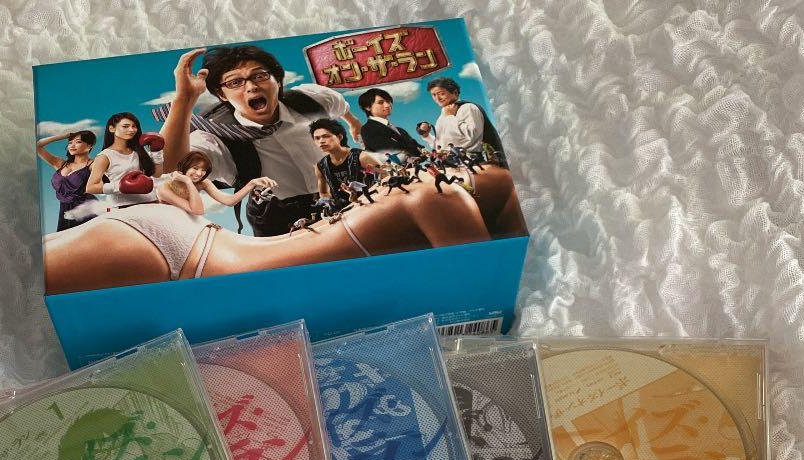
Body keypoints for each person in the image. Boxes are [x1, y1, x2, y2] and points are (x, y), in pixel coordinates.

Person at [42, 162, 526, 292]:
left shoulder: (418, 188)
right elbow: (481, 294)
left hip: (189, 243)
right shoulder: (441, 194)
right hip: (190, 258)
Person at [152, 45, 363, 236]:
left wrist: (354, 124)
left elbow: (340, 105)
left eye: (260, 75)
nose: (251, 87)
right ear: (222, 94)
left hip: (341, 194)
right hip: (277, 217)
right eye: (235, 82)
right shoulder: (216, 136)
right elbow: (170, 166)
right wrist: (184, 100)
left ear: (277, 81)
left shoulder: (310, 99)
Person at [85, 113, 166, 212]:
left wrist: (157, 151)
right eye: (125, 126)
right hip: (122, 207)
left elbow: (157, 174)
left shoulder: (138, 151)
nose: (131, 130)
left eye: (134, 126)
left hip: (150, 202)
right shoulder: (104, 156)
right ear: (112, 129)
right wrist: (119, 186)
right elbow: (91, 187)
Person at [157, 150, 275, 213]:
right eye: (195, 168)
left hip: (186, 221)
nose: (199, 174)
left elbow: (229, 201)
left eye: (203, 170)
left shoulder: (203, 183)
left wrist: (252, 183)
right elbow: (197, 210)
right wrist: (188, 182)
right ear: (185, 166)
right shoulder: (165, 187)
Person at [427, 77, 507, 163]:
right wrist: (426, 136)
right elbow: (442, 143)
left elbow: (472, 135)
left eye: (441, 94)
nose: (437, 98)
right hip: (448, 162)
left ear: (455, 92)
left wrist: (450, 117)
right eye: (434, 95)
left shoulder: (468, 108)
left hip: (468, 162)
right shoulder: (443, 115)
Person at [310, 119, 381, 209]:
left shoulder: (361, 157)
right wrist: (326, 201)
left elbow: (384, 177)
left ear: (339, 137)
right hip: (344, 211)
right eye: (317, 138)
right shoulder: (320, 166)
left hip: (371, 205)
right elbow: (324, 193)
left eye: (326, 136)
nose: (321, 141)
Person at [36, 129, 97, 231]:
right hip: (65, 211)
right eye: (70, 143)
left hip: (85, 210)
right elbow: (38, 146)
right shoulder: (61, 163)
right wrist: (63, 136)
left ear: (89, 146)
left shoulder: (94, 164)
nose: (72, 146)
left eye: (78, 142)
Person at [356, 88, 421, 157]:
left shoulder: (401, 131)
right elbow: (391, 153)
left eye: (388, 101)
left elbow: (421, 151)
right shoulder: (368, 129)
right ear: (367, 107)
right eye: (380, 102)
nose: (387, 105)